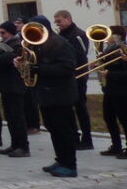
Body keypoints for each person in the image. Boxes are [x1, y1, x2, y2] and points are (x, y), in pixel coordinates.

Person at [16, 14, 78, 177]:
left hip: (60, 95)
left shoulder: (60, 44)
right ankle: (61, 160)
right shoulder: (38, 44)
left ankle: (70, 165)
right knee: (54, 129)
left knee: (63, 130)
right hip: (46, 94)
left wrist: (39, 69)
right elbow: (34, 63)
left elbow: (68, 68)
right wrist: (22, 64)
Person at [54, 10, 94, 150]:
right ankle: (73, 136)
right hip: (67, 76)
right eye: (56, 22)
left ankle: (87, 139)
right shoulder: (61, 35)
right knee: (68, 108)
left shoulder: (79, 34)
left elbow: (81, 54)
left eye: (59, 21)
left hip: (78, 76)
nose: (57, 24)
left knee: (80, 108)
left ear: (68, 19)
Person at [0, 21, 30, 157]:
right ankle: (14, 144)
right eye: (0, 32)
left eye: (3, 33)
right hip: (6, 86)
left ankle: (23, 147)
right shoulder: (5, 44)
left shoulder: (17, 44)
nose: (1, 35)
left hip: (15, 85)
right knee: (10, 118)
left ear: (11, 32)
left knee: (17, 117)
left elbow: (5, 59)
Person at [100, 26, 127, 157]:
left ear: (117, 36)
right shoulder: (109, 50)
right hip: (110, 90)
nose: (107, 38)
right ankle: (116, 145)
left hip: (122, 91)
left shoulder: (123, 50)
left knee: (124, 119)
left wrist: (109, 74)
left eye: (109, 35)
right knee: (108, 117)